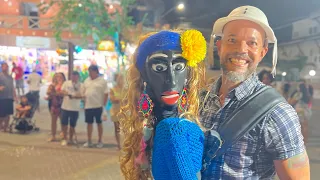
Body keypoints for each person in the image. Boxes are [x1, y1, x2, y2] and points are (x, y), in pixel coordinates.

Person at [200, 6, 309, 180]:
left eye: (252, 43)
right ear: (219, 46)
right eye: (232, 40)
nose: (241, 49)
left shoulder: (278, 113)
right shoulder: (199, 100)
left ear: (262, 52)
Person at [119, 30, 207, 179]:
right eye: (159, 68)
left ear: (187, 75)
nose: (171, 81)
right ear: (144, 75)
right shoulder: (157, 126)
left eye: (178, 67)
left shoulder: (172, 129)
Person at [82, 65, 108, 148]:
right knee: (89, 124)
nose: (90, 74)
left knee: (99, 123)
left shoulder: (102, 81)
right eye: (89, 72)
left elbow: (106, 93)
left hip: (98, 106)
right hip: (88, 106)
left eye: (91, 72)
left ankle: (100, 141)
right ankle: (89, 140)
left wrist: (104, 105)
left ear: (96, 72)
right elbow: (84, 92)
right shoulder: (86, 80)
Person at [60, 71, 83, 146]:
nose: (74, 78)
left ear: (78, 77)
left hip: (75, 108)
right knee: (64, 124)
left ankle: (71, 138)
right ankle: (64, 138)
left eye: (75, 76)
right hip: (65, 107)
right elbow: (62, 91)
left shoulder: (81, 85)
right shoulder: (66, 83)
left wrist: (74, 96)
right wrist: (66, 93)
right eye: (72, 76)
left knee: (72, 124)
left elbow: (81, 95)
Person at [47, 72, 66, 142]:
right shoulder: (52, 85)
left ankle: (64, 135)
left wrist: (55, 93)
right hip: (54, 105)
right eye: (57, 76)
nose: (58, 78)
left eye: (60, 77)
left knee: (63, 121)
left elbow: (63, 93)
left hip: (63, 105)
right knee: (53, 121)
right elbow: (48, 92)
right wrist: (54, 93)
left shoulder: (64, 85)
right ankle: (53, 136)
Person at [109, 73, 125, 150]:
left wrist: (119, 99)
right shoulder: (113, 89)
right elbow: (112, 99)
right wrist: (121, 99)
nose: (120, 80)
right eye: (119, 79)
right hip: (115, 111)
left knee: (126, 128)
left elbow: (129, 100)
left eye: (121, 78)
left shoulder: (125, 90)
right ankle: (118, 144)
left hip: (125, 111)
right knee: (117, 128)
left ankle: (126, 143)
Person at [0, 63, 17, 132]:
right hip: (2, 97)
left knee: (8, 114)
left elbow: (12, 87)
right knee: (1, 114)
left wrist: (15, 96)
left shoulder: (10, 77)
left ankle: (5, 127)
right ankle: (1, 126)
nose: (6, 68)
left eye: (7, 67)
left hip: (9, 97)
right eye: (4, 67)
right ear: (1, 67)